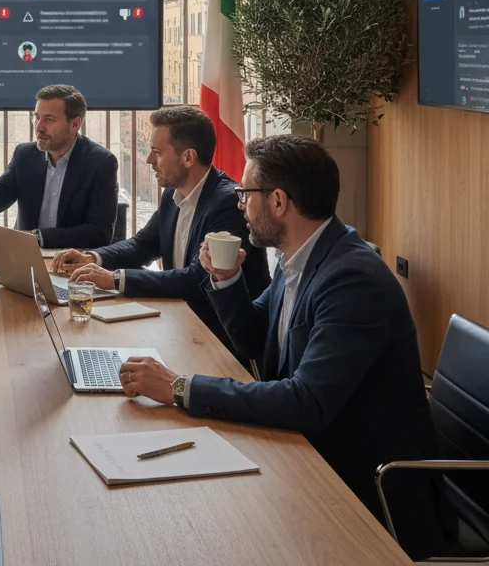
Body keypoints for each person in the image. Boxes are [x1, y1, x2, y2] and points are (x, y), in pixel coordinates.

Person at [115, 135, 445, 560]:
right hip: (309, 453)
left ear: (277, 202)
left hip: (365, 486)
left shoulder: (351, 279)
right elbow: (254, 339)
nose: (239, 205)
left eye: (245, 194)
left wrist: (179, 388)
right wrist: (226, 280)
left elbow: (305, 401)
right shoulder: (301, 258)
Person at [50, 106, 269, 355]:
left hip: (221, 342)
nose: (148, 161)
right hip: (180, 325)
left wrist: (115, 279)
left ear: (188, 157)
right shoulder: (172, 195)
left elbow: (196, 278)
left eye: (156, 152)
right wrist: (93, 258)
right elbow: (143, 244)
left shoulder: (228, 203)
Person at [0, 84, 117, 248]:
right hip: (25, 262)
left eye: (49, 119)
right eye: (37, 117)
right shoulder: (25, 155)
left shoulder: (101, 162)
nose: (39, 127)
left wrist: (37, 237)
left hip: (74, 265)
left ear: (74, 124)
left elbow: (99, 233)